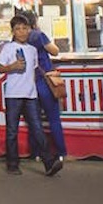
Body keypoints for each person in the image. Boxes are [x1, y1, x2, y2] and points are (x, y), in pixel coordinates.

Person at [0, 14, 63, 177]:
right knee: (12, 130)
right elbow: (1, 69)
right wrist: (12, 66)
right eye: (18, 29)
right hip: (13, 94)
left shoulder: (33, 50)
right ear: (13, 31)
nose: (22, 32)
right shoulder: (7, 48)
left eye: (24, 28)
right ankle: (12, 163)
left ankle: (48, 162)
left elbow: (33, 70)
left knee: (37, 128)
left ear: (29, 29)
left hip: (30, 94)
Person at [21, 10, 67, 161]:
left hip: (28, 82)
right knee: (53, 118)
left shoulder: (19, 39)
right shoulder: (38, 35)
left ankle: (36, 153)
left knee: (34, 120)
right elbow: (55, 51)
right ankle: (60, 152)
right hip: (44, 81)